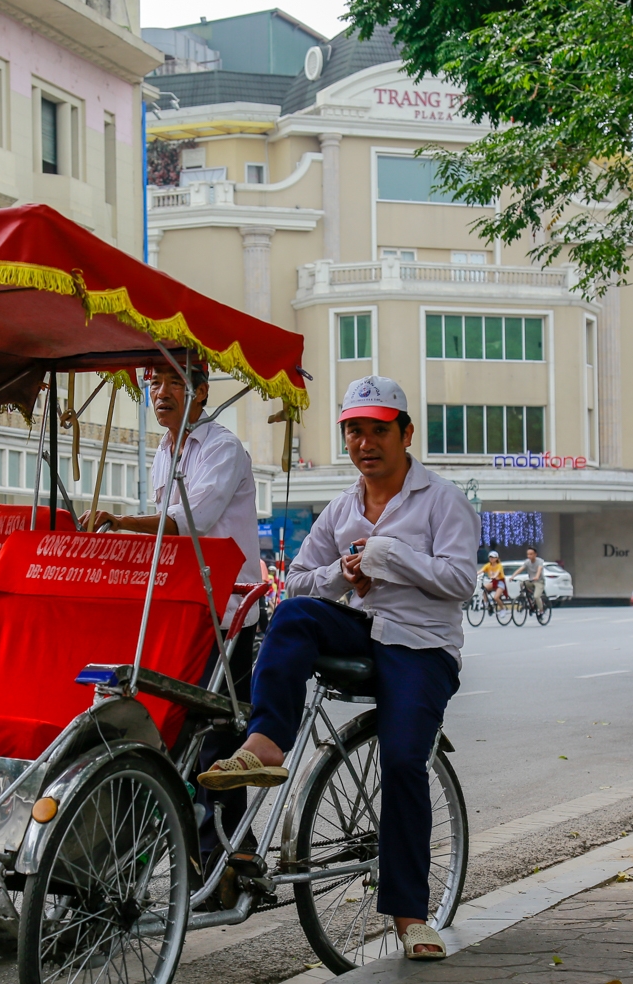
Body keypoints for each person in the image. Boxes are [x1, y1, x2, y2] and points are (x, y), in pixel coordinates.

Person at [197, 374, 478, 960]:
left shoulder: (443, 500)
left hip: (421, 646)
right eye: (354, 431)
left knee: (403, 759)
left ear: (405, 434)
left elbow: (459, 581)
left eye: (378, 430)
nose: (364, 443)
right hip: (361, 630)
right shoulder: (342, 506)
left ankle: (410, 915)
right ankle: (269, 740)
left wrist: (390, 557)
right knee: (296, 613)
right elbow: (298, 578)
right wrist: (340, 577)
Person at [80, 361, 261, 864]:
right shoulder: (164, 450)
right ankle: (190, 846)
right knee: (170, 727)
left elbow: (190, 521)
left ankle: (228, 852)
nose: (160, 392)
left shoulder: (222, 449)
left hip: (228, 611)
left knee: (217, 735)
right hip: (183, 607)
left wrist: (120, 521)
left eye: (173, 383)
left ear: (200, 392)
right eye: (153, 383)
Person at [509, 547, 545, 612]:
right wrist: (513, 576)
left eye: (531, 554)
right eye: (528, 554)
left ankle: (541, 610)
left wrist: (536, 576)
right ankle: (526, 599)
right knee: (522, 583)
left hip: (539, 581)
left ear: (535, 554)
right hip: (531, 581)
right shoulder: (527, 562)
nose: (529, 556)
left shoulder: (539, 561)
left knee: (536, 596)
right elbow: (520, 569)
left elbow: (539, 569)